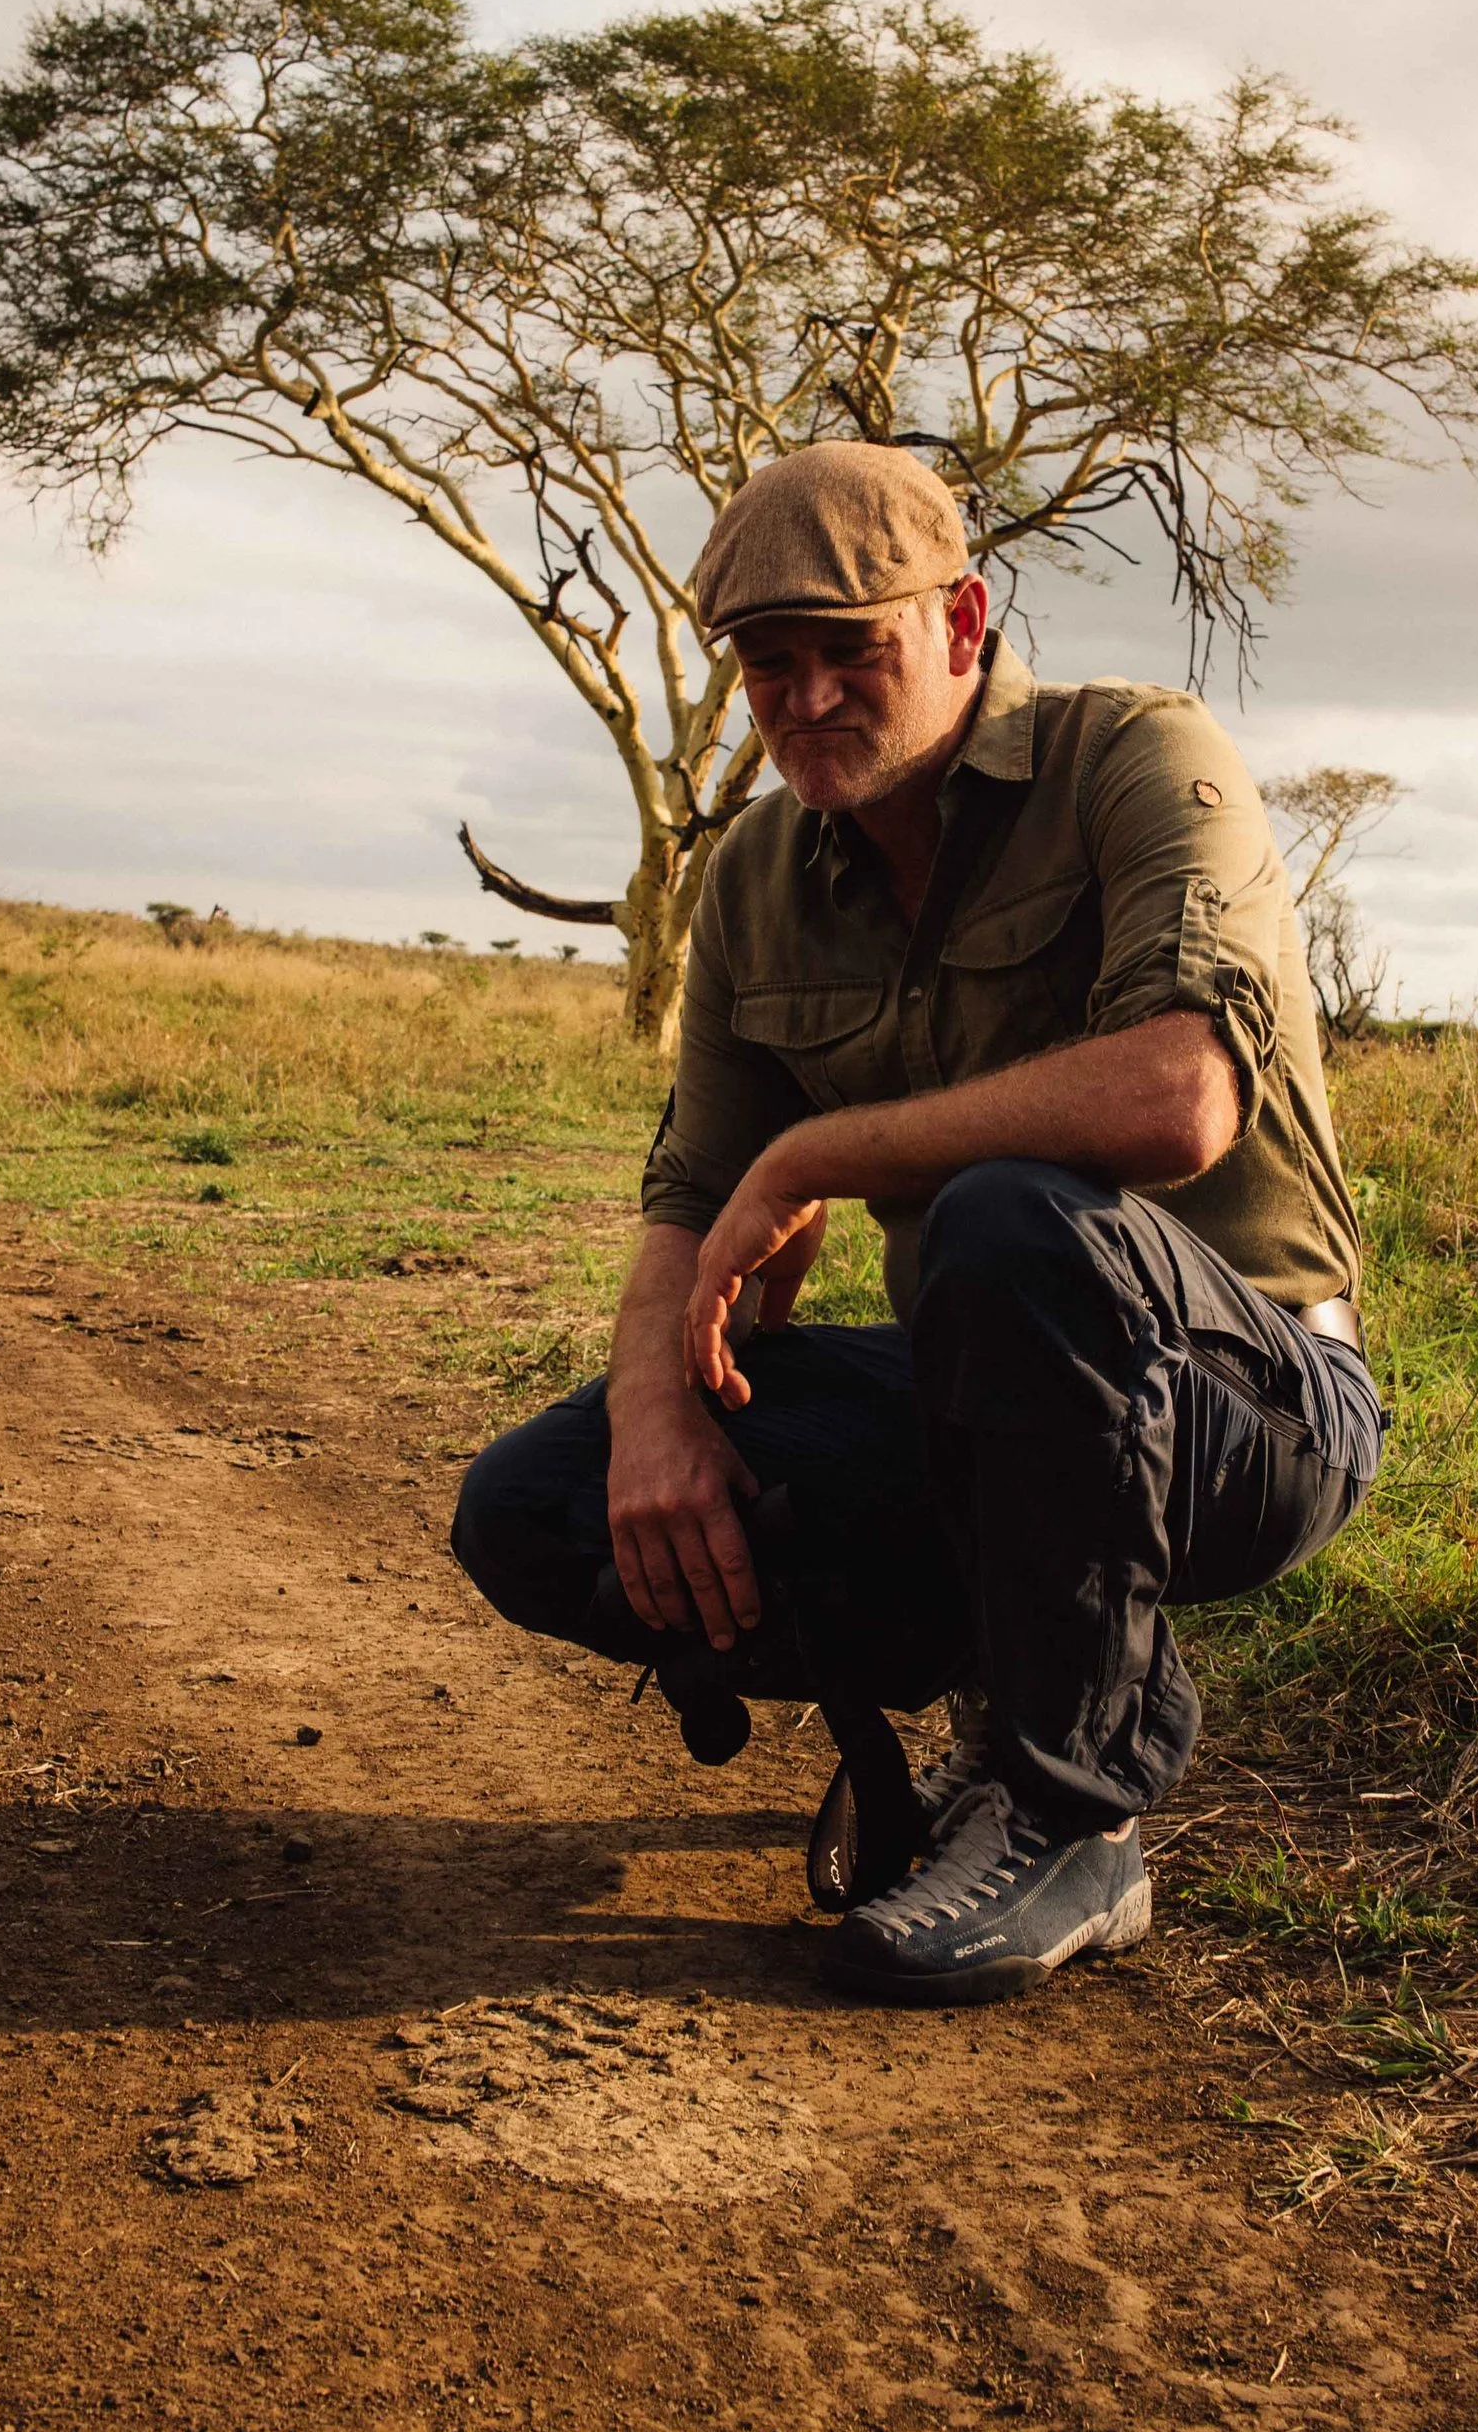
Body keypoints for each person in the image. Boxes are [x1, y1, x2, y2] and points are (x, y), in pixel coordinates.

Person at [452, 446, 1385, 2008]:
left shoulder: (1140, 757)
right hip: (996, 1400)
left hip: (1256, 1402)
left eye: (849, 650)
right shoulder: (754, 874)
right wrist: (654, 1414)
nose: (805, 698)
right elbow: (694, 1199)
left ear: (962, 618)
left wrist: (820, 1148)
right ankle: (1000, 1694)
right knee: (538, 1503)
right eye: (768, 663)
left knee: (1005, 1219)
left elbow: (1180, 1099)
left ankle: (1073, 1807)